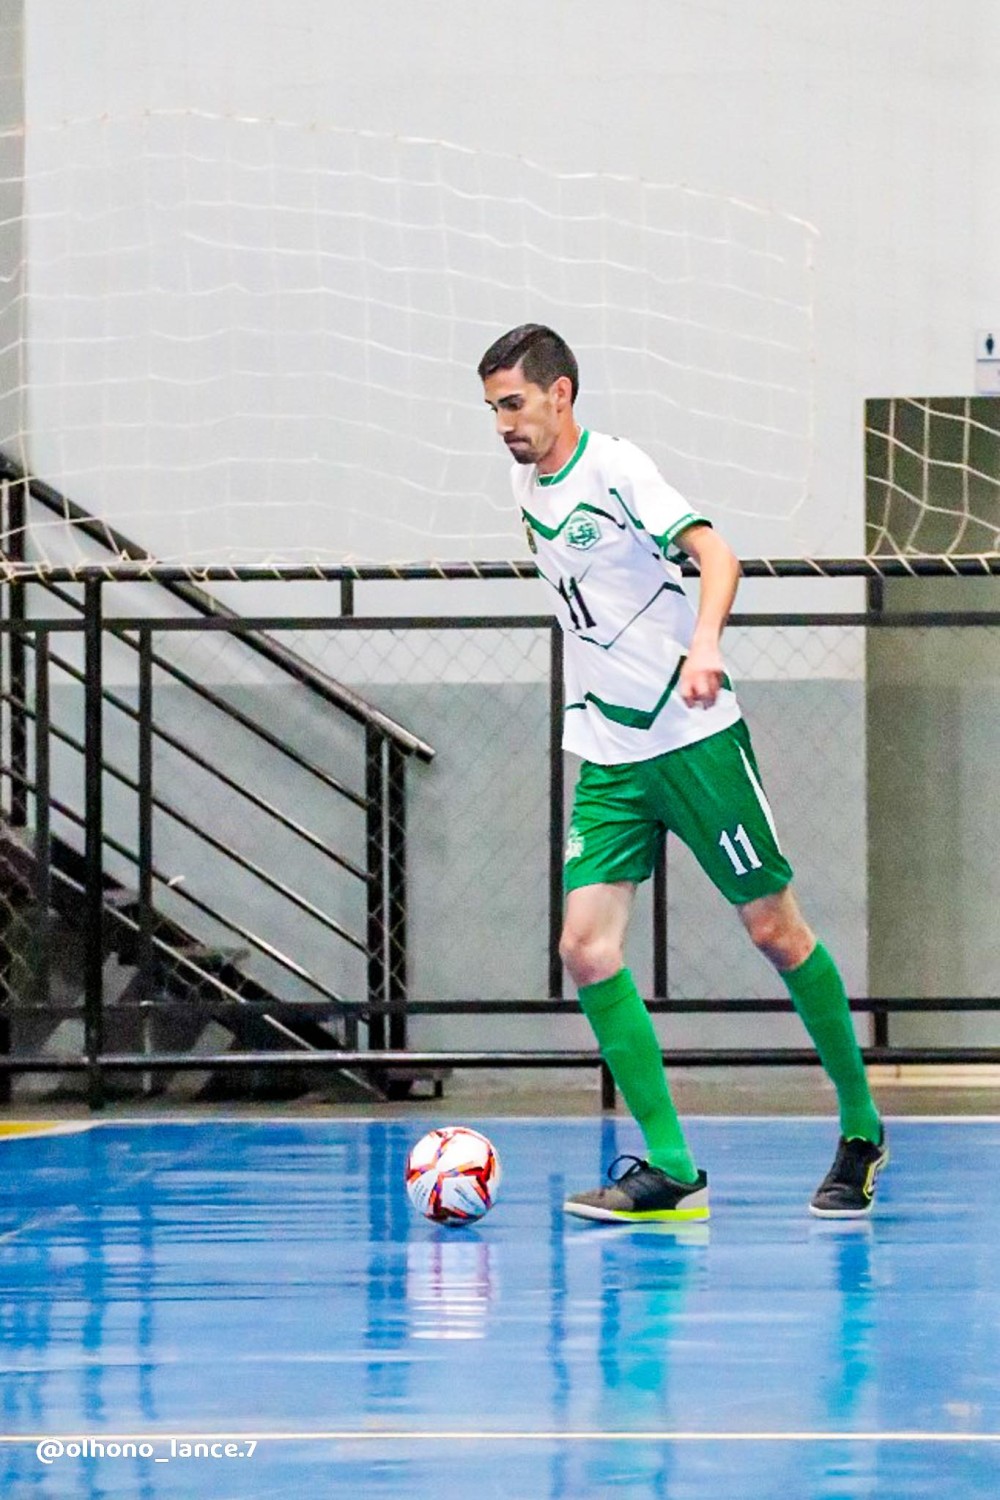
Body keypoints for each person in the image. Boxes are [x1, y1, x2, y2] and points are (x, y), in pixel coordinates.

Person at [477, 323, 888, 1222]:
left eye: (514, 403)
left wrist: (704, 645)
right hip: (609, 750)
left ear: (560, 394)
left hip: (693, 733)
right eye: (492, 409)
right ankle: (670, 1168)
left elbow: (717, 555)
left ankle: (862, 1129)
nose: (504, 424)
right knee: (585, 949)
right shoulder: (524, 481)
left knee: (774, 930)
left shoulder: (618, 468)